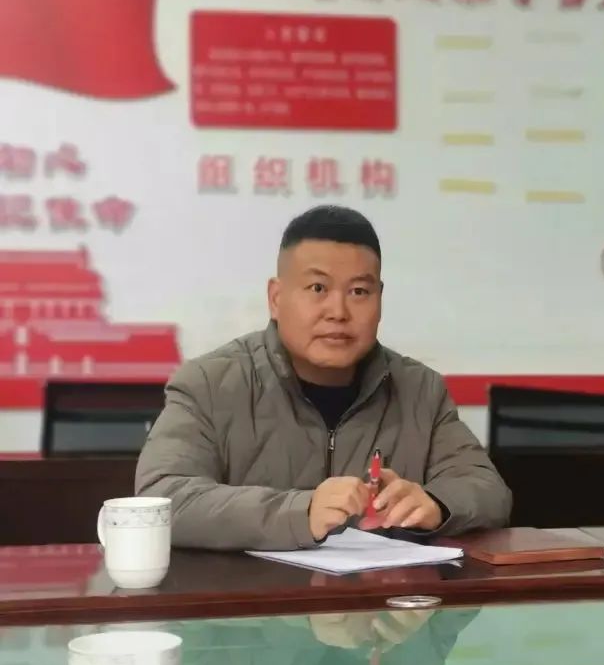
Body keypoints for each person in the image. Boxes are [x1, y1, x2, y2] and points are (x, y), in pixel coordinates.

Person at [136, 205, 512, 550]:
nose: (338, 311)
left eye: (359, 291)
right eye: (318, 288)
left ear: (380, 299)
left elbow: (488, 490)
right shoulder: (209, 383)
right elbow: (162, 500)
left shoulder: (420, 391)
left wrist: (436, 504)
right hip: (250, 599)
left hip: (384, 599)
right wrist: (301, 512)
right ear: (276, 298)